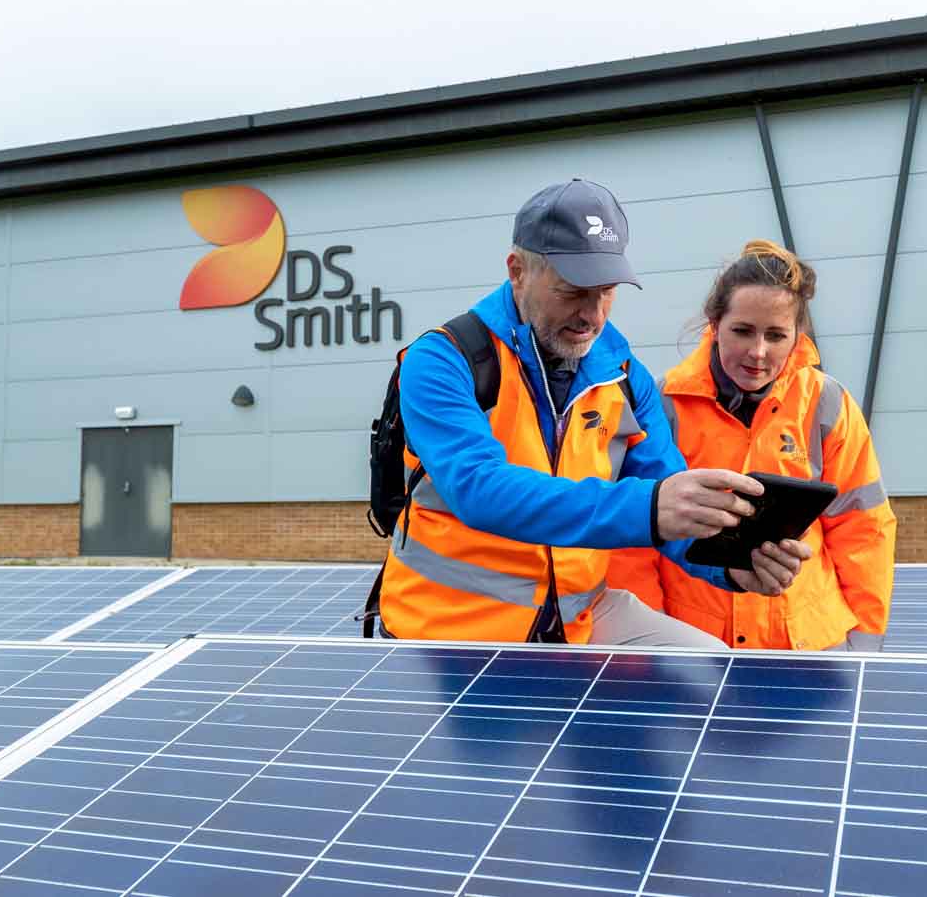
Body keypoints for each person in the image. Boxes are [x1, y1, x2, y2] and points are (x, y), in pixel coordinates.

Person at [378, 181, 813, 646]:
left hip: (578, 616)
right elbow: (480, 490)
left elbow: (671, 501)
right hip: (447, 634)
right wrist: (647, 508)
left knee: (715, 672)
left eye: (606, 292)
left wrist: (728, 564)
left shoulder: (623, 375)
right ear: (517, 270)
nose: (593, 314)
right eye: (573, 292)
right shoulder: (444, 360)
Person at [607, 240, 896, 651]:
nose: (757, 353)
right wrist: (650, 648)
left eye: (776, 335)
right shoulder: (663, 406)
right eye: (742, 331)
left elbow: (864, 528)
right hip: (696, 647)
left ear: (797, 337)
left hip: (808, 646)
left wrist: (866, 641)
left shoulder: (827, 404)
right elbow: (635, 540)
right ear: (714, 323)